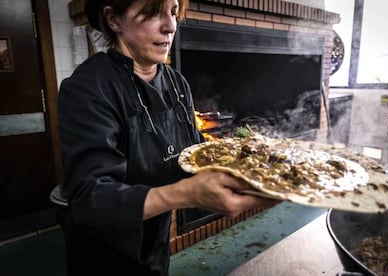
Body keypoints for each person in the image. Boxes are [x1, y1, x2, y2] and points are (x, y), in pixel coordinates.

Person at [57, 0, 279, 275]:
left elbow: (194, 152)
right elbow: (90, 200)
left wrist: (243, 161)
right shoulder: (87, 89)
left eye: (173, 12)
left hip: (156, 246)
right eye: (152, 13)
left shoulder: (176, 83)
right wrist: (185, 193)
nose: (171, 26)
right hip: (105, 255)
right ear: (114, 20)